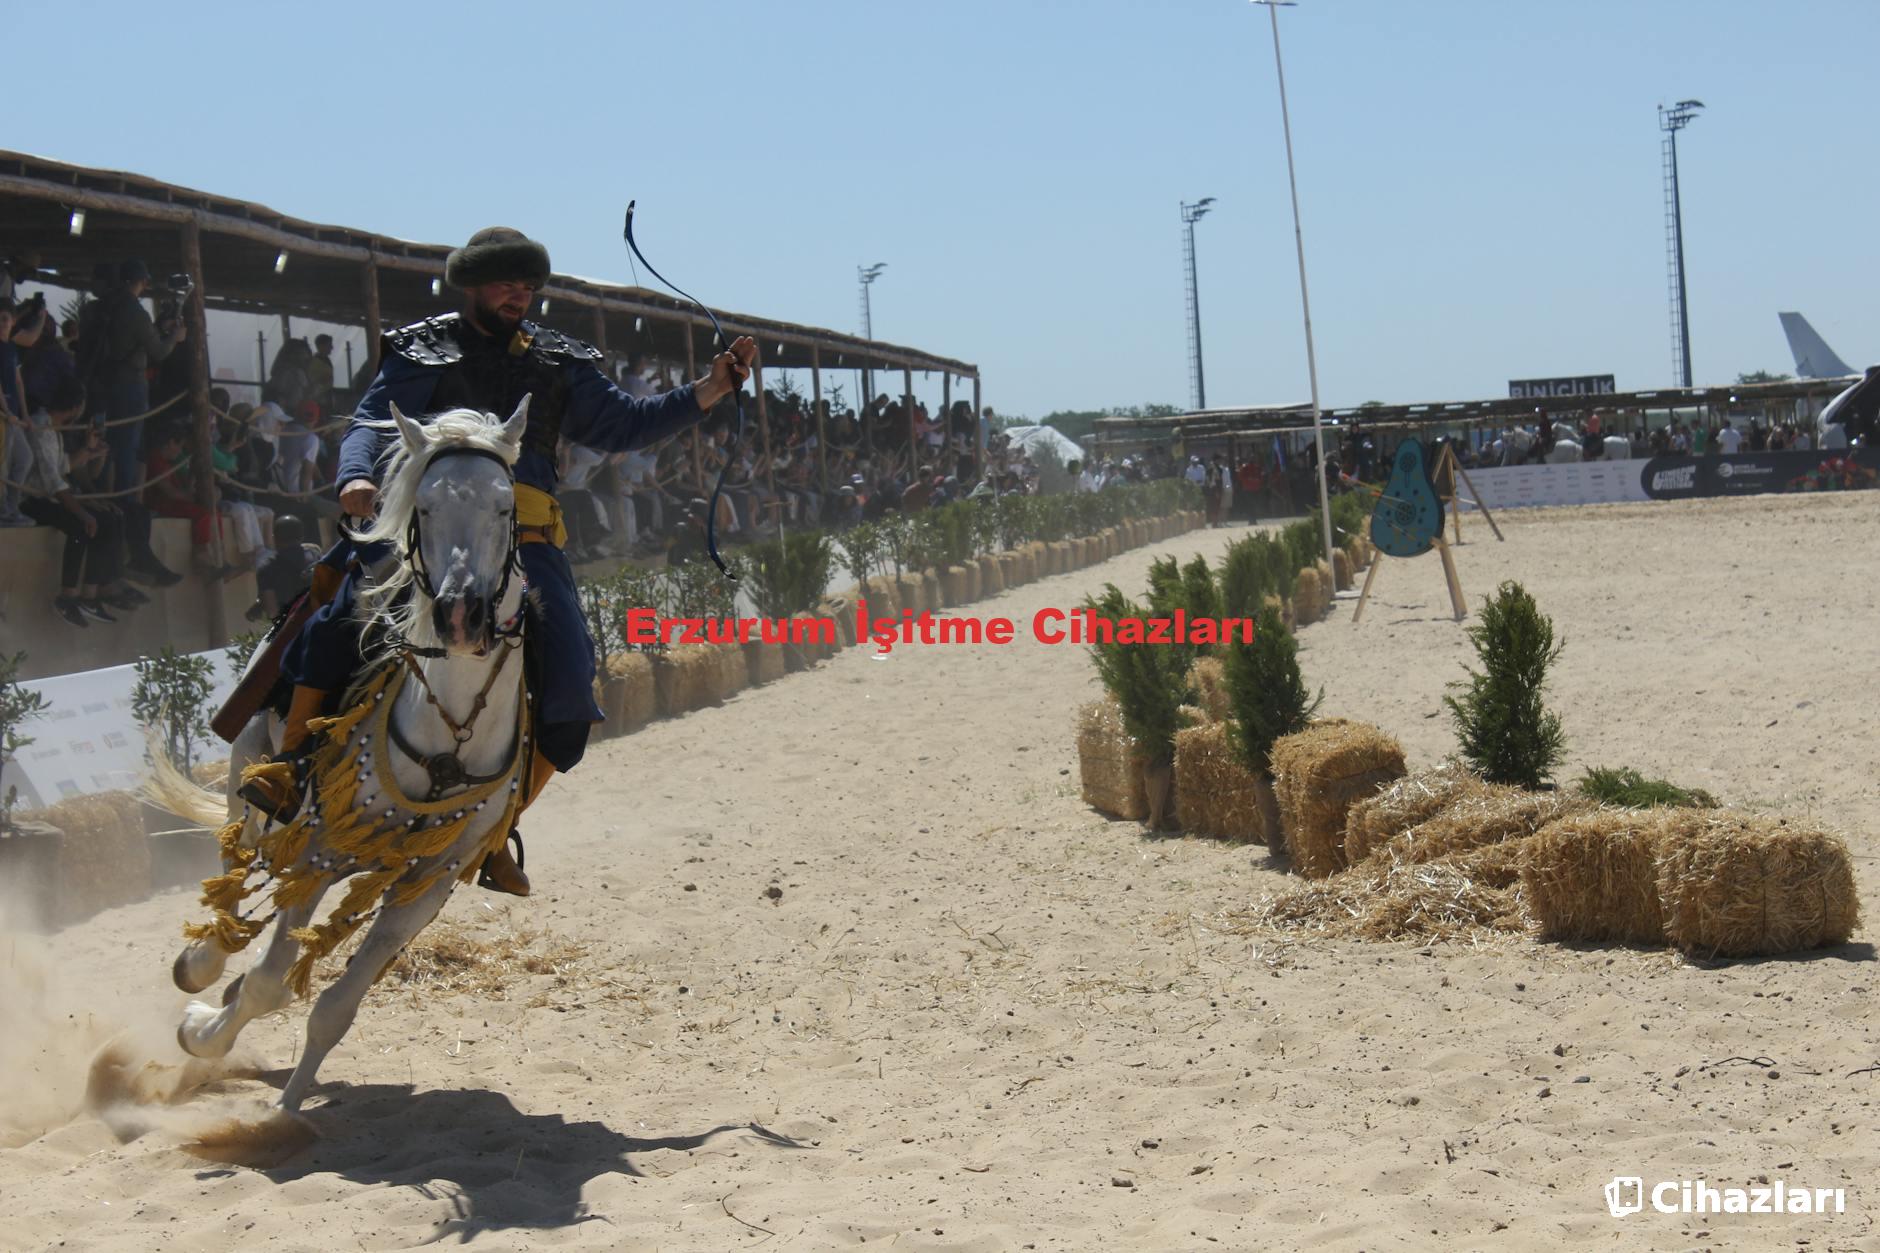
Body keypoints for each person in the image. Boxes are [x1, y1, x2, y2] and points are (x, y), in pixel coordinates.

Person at [243, 226, 754, 898]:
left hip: (529, 541)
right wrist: (355, 478)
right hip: (428, 535)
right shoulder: (425, 348)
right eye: (507, 284)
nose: (521, 295)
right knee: (338, 619)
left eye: (529, 285)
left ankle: (493, 829)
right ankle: (291, 764)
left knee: (572, 687)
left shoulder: (558, 359)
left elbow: (624, 423)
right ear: (472, 286)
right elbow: (369, 422)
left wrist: (709, 388)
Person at [17, 380, 147, 625]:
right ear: (75, 407)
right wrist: (83, 512)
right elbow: (53, 481)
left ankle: (95, 591)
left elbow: (63, 465)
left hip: (49, 495)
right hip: (32, 499)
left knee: (110, 518)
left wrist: (90, 451)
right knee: (80, 526)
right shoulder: (40, 428)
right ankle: (68, 596)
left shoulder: (53, 430)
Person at [94, 260, 188, 495]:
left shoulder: (103, 306)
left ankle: (102, 492)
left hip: (102, 382)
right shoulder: (135, 311)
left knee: (103, 444)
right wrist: (175, 337)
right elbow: (159, 352)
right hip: (130, 385)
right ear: (143, 282)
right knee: (127, 446)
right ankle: (124, 499)